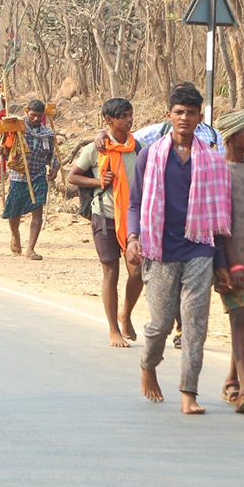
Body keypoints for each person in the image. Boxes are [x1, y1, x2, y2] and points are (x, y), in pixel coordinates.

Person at [127, 84, 232, 415]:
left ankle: (189, 392)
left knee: (195, 323)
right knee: (159, 324)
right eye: (179, 112)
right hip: (159, 249)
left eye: (191, 113)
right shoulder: (150, 155)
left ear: (200, 118)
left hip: (199, 248)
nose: (184, 117)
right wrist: (133, 238)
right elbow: (135, 203)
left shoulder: (213, 162)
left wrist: (224, 263)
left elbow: (220, 219)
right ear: (169, 115)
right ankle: (148, 364)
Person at [67, 98, 143, 348]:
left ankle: (126, 313)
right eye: (124, 116)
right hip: (105, 215)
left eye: (131, 115)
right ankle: (113, 329)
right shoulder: (95, 149)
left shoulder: (138, 148)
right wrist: (98, 182)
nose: (129, 120)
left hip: (133, 220)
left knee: (138, 271)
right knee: (111, 271)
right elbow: (73, 177)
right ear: (109, 120)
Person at [214, 108, 244, 411]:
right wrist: (230, 265)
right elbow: (218, 225)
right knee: (239, 316)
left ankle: (231, 380)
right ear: (232, 136)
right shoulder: (216, 171)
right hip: (231, 262)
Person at [0, 100, 60, 260]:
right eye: (33, 115)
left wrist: (54, 168)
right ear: (27, 112)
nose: (35, 119)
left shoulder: (47, 134)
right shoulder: (15, 128)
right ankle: (15, 235)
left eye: (39, 116)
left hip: (38, 175)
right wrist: (2, 150)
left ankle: (31, 249)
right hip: (18, 176)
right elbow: (7, 150)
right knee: (14, 212)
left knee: (37, 210)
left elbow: (53, 156)